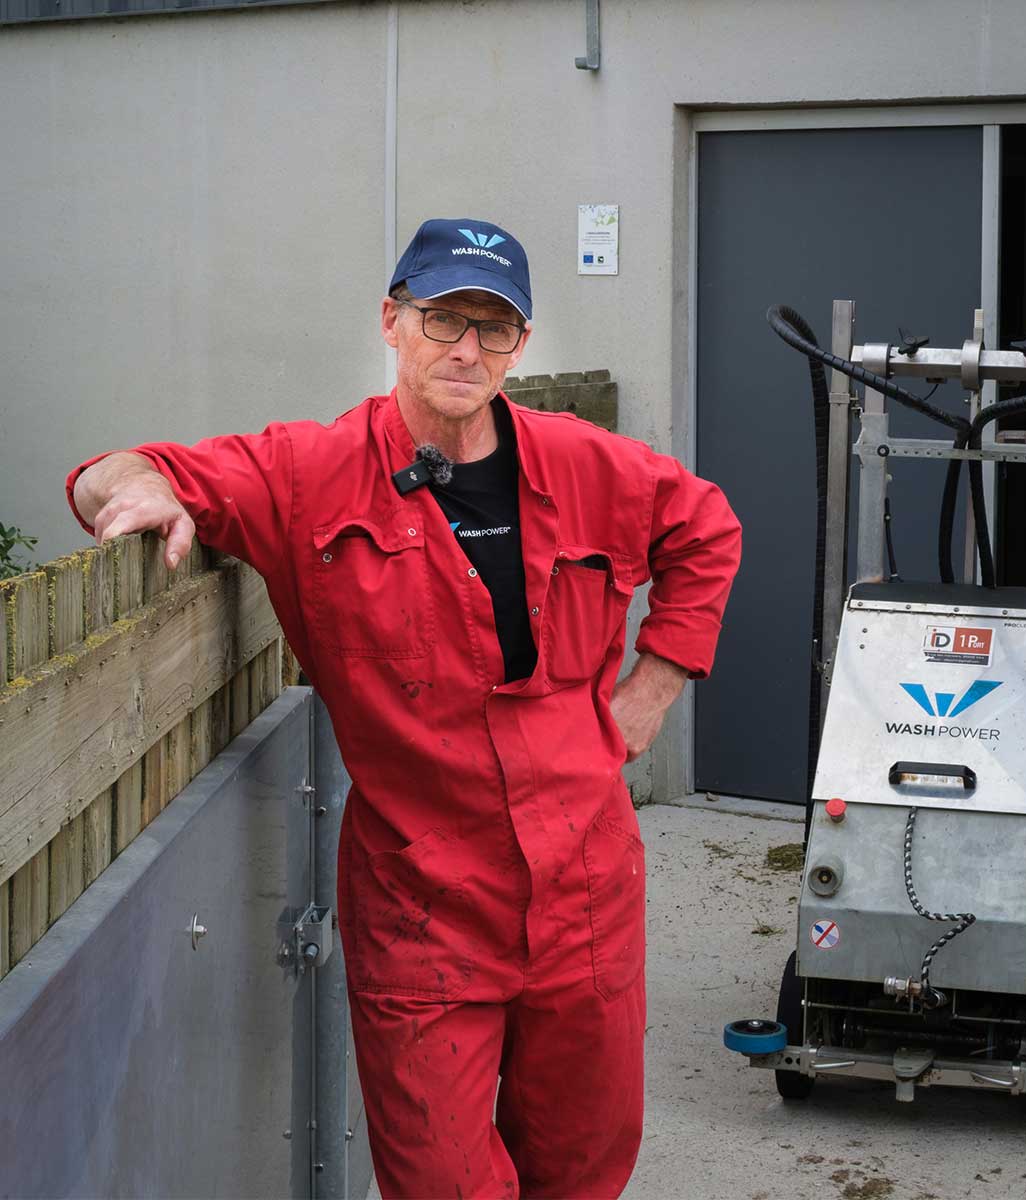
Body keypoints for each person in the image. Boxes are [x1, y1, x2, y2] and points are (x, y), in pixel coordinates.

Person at [66, 218, 741, 1199]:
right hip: (425, 907)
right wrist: (136, 499)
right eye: (442, 319)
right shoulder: (307, 475)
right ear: (392, 320)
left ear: (520, 345)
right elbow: (115, 469)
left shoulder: (589, 466)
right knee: (442, 1181)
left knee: (581, 1169)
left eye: (494, 326)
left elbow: (705, 527)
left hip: (586, 892)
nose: (466, 348)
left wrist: (655, 684)